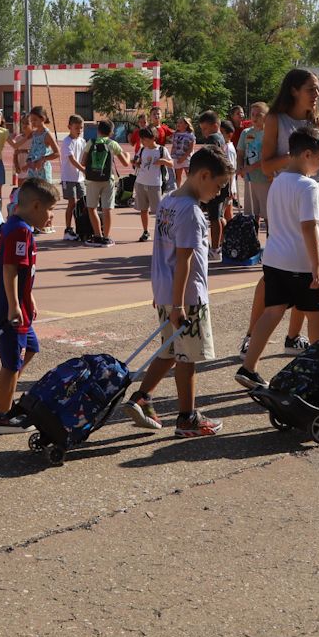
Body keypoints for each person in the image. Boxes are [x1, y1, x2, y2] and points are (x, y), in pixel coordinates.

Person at [122, 147, 230, 437]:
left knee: (169, 350)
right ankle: (187, 418)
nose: (218, 193)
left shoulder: (169, 201)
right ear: (203, 175)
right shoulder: (192, 212)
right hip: (187, 298)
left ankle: (141, 397)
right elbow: (184, 259)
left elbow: (161, 251)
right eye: (218, 185)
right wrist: (180, 305)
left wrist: (162, 293)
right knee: (187, 357)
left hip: (166, 292)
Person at [244, 68, 319, 357]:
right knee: (277, 271)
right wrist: (298, 156)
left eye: (318, 89)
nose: (317, 94)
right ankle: (251, 335)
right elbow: (267, 166)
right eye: (312, 88)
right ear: (294, 89)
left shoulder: (318, 120)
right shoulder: (276, 119)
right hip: (287, 192)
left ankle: (293, 337)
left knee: (310, 267)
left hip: (315, 193)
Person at [234, 126, 319, 391]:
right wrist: (316, 264)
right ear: (307, 154)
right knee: (316, 314)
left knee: (272, 311)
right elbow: (309, 226)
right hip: (300, 261)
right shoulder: (308, 186)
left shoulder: (277, 181)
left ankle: (249, 366)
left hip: (275, 258)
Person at [0, 177, 57, 432]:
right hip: (7, 309)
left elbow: (23, 271)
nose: (51, 217)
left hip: (19, 306)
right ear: (36, 206)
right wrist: (14, 305)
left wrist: (29, 297)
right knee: (11, 363)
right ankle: (2, 417)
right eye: (50, 210)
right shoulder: (19, 230)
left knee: (31, 348)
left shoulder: (18, 226)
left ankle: (0, 397)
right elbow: (10, 268)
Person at [83, 118, 131, 246]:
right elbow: (125, 163)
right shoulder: (112, 144)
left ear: (98, 131)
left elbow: (83, 161)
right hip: (108, 179)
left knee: (92, 207)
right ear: (111, 132)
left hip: (92, 179)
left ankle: (97, 235)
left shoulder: (91, 142)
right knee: (107, 209)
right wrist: (127, 155)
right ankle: (107, 237)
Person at [194, 110, 230, 258]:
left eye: (205, 129)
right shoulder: (222, 137)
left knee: (214, 217)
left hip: (215, 181)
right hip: (223, 180)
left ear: (215, 125)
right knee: (219, 216)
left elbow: (211, 160)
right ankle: (221, 245)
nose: (204, 133)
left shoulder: (213, 139)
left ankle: (215, 249)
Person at [133, 126, 171, 241]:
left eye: (145, 139)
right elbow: (137, 162)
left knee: (159, 211)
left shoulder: (161, 150)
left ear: (153, 138)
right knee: (143, 209)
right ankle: (145, 231)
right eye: (142, 139)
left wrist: (163, 161)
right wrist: (136, 163)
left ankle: (162, 231)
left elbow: (171, 163)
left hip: (155, 184)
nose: (143, 142)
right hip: (140, 182)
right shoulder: (142, 149)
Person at [236, 103, 268, 227]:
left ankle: (270, 244)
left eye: (258, 115)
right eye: (252, 114)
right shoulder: (246, 133)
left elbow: (267, 157)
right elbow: (240, 153)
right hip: (250, 180)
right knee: (252, 215)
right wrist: (240, 166)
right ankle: (253, 243)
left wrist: (250, 167)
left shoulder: (269, 133)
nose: (254, 117)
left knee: (268, 215)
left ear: (266, 117)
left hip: (266, 179)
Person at [59, 114, 88, 241]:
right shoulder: (66, 142)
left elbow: (84, 158)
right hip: (69, 177)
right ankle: (68, 229)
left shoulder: (83, 141)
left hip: (80, 178)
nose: (79, 130)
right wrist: (83, 169)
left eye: (81, 128)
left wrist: (87, 168)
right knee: (72, 203)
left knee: (83, 203)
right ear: (69, 127)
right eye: (77, 128)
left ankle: (81, 227)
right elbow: (72, 159)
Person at [168, 116, 196, 186]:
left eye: (180, 122)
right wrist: (171, 156)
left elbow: (191, 149)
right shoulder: (175, 134)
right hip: (177, 158)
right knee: (178, 176)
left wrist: (183, 158)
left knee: (189, 175)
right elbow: (174, 146)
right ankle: (178, 190)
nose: (178, 124)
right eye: (177, 122)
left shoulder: (190, 135)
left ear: (186, 125)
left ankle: (191, 190)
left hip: (186, 158)